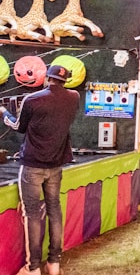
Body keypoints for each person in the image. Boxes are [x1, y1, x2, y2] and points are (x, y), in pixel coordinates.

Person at [1, 65, 78, 275]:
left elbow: (19, 127)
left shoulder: (32, 99)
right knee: (54, 210)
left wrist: (3, 112)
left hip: (33, 164)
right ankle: (54, 263)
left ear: (46, 79)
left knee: (32, 214)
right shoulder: (74, 97)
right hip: (56, 164)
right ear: (65, 80)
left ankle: (33, 267)